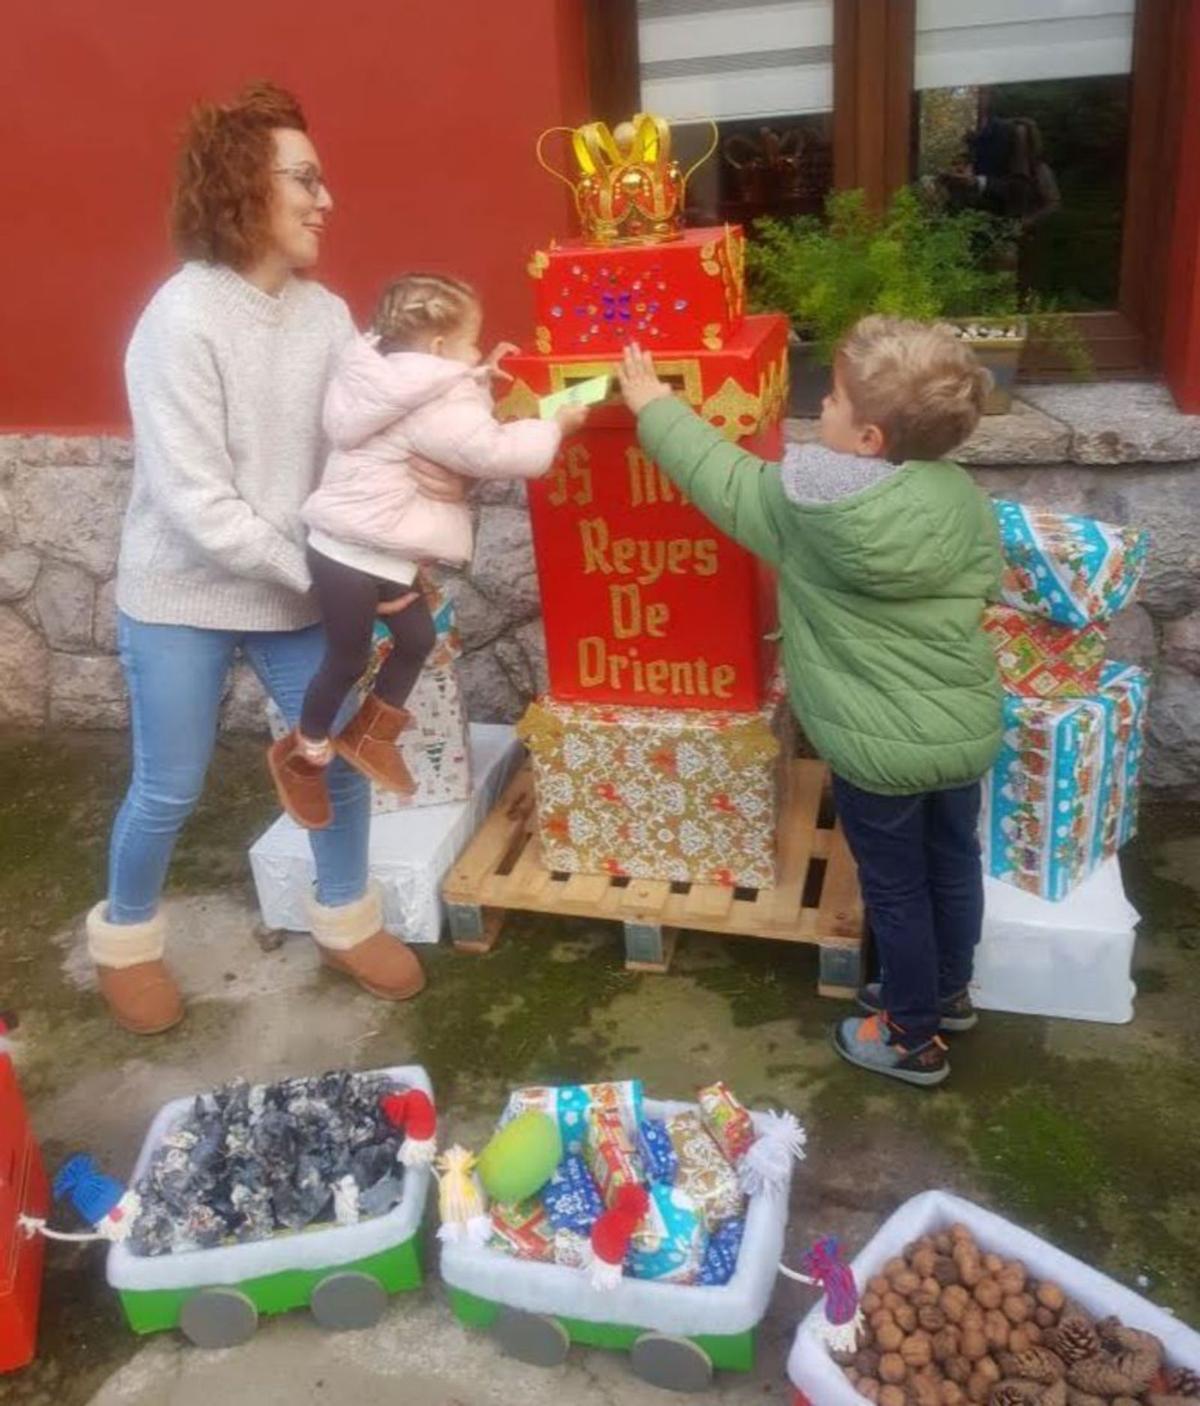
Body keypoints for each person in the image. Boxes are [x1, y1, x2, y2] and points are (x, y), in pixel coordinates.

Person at [88, 82, 440, 1035]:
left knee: (336, 755)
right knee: (170, 783)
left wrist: (453, 424)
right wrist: (335, 576)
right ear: (244, 187)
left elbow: (364, 440)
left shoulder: (326, 317)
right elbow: (198, 504)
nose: (327, 200)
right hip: (185, 592)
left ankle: (345, 919)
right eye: (306, 181)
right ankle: (126, 938)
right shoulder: (180, 321)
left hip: (296, 585)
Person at [617, 316, 1003, 1087]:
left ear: (866, 437)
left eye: (828, 399)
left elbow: (724, 480)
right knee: (954, 864)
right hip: (963, 729)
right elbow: (986, 584)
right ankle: (947, 992)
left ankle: (909, 1034)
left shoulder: (814, 511)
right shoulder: (958, 495)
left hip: (875, 748)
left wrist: (653, 405)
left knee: (895, 888)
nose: (816, 409)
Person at [268, 274, 584, 826]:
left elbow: (447, 416)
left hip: (377, 548)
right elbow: (483, 447)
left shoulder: (385, 380)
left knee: (417, 637)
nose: (469, 357)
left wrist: (480, 372)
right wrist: (555, 427)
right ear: (438, 349)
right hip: (348, 553)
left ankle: (370, 733)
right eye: (468, 344)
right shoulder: (432, 399)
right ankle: (304, 755)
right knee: (345, 658)